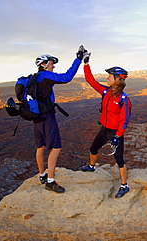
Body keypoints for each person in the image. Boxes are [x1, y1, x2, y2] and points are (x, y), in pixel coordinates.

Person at [34, 45, 87, 193]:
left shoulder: (36, 78)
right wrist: (78, 59)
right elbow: (66, 77)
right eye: (52, 64)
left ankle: (42, 175)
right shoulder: (45, 76)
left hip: (37, 116)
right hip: (47, 117)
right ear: (44, 65)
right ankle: (50, 182)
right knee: (56, 148)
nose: (54, 66)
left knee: (41, 146)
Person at [79, 52, 132, 198]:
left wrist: (118, 136)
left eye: (109, 76)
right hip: (104, 129)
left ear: (117, 79)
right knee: (93, 148)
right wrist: (86, 63)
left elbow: (125, 119)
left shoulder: (123, 99)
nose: (107, 78)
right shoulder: (105, 91)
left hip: (115, 132)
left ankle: (124, 185)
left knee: (119, 160)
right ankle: (91, 166)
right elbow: (90, 80)